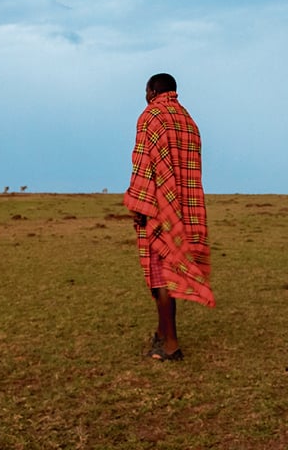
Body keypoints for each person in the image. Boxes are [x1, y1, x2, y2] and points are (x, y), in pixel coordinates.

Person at [123, 73, 215, 362]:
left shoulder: (151, 116)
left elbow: (142, 162)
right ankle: (162, 334)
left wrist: (140, 204)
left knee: (161, 274)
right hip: (185, 208)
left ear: (152, 91)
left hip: (159, 206)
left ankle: (171, 345)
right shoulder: (189, 121)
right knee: (169, 272)